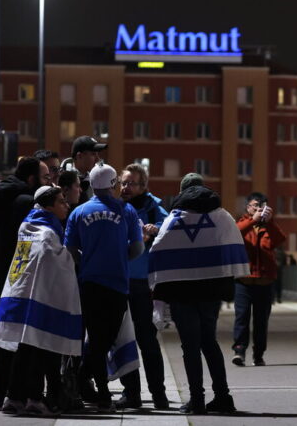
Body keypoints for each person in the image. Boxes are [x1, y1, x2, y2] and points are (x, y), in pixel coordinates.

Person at [149, 182, 248, 415]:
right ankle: (223, 397)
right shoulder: (220, 216)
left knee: (190, 346)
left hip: (182, 292)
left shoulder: (176, 218)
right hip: (211, 290)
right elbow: (231, 243)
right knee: (209, 342)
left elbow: (158, 247)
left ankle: (197, 400)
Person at [0, 186, 80, 417]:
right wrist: (74, 256)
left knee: (24, 348)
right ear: (49, 206)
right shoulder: (47, 232)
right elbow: (59, 263)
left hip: (18, 294)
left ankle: (14, 396)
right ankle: (34, 398)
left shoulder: (27, 226)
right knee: (36, 348)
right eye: (61, 202)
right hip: (37, 298)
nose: (66, 205)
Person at [64, 164, 143, 412]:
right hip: (118, 284)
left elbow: (69, 249)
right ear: (113, 184)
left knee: (96, 339)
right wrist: (119, 258)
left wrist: (87, 261)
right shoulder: (126, 210)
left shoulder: (78, 212)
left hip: (89, 284)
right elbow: (138, 248)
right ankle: (101, 394)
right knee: (104, 341)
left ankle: (91, 387)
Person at [0, 156, 49, 409]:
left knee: (4, 338)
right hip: (23, 278)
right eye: (44, 178)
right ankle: (20, 393)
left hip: (1, 277)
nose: (47, 183)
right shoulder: (26, 203)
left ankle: (0, 393)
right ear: (31, 179)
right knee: (25, 340)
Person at [115, 164, 169, 410]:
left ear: (143, 186)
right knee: (123, 339)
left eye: (131, 183)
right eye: (123, 183)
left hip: (142, 283)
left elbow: (169, 231)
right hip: (119, 281)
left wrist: (156, 231)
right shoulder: (115, 207)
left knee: (147, 340)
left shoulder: (154, 208)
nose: (125, 188)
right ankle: (131, 393)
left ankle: (159, 394)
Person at [232, 192, 286, 367]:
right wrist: (253, 220)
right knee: (242, 318)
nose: (258, 209)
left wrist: (268, 221)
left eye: (261, 206)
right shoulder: (242, 223)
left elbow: (280, 239)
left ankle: (259, 354)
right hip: (244, 281)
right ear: (248, 207)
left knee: (261, 321)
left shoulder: (269, 226)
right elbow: (235, 234)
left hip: (265, 281)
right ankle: (239, 351)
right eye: (254, 205)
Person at [62, 136, 107, 207]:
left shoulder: (94, 180)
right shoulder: (60, 180)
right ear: (79, 156)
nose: (97, 159)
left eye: (97, 154)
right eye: (93, 154)